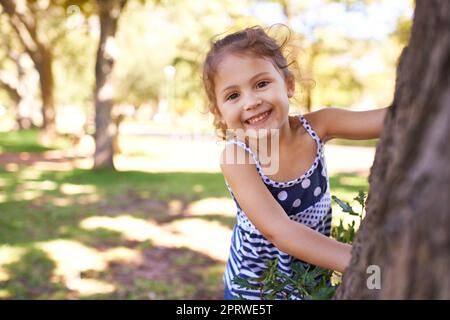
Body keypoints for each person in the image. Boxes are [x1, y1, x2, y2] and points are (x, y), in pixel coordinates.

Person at [201, 25, 388, 300]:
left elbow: (392, 120)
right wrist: (364, 263)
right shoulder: (237, 157)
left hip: (311, 282)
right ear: (219, 111)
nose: (251, 101)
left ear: (288, 84)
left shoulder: (318, 126)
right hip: (255, 290)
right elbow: (281, 232)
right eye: (233, 95)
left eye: (261, 84)